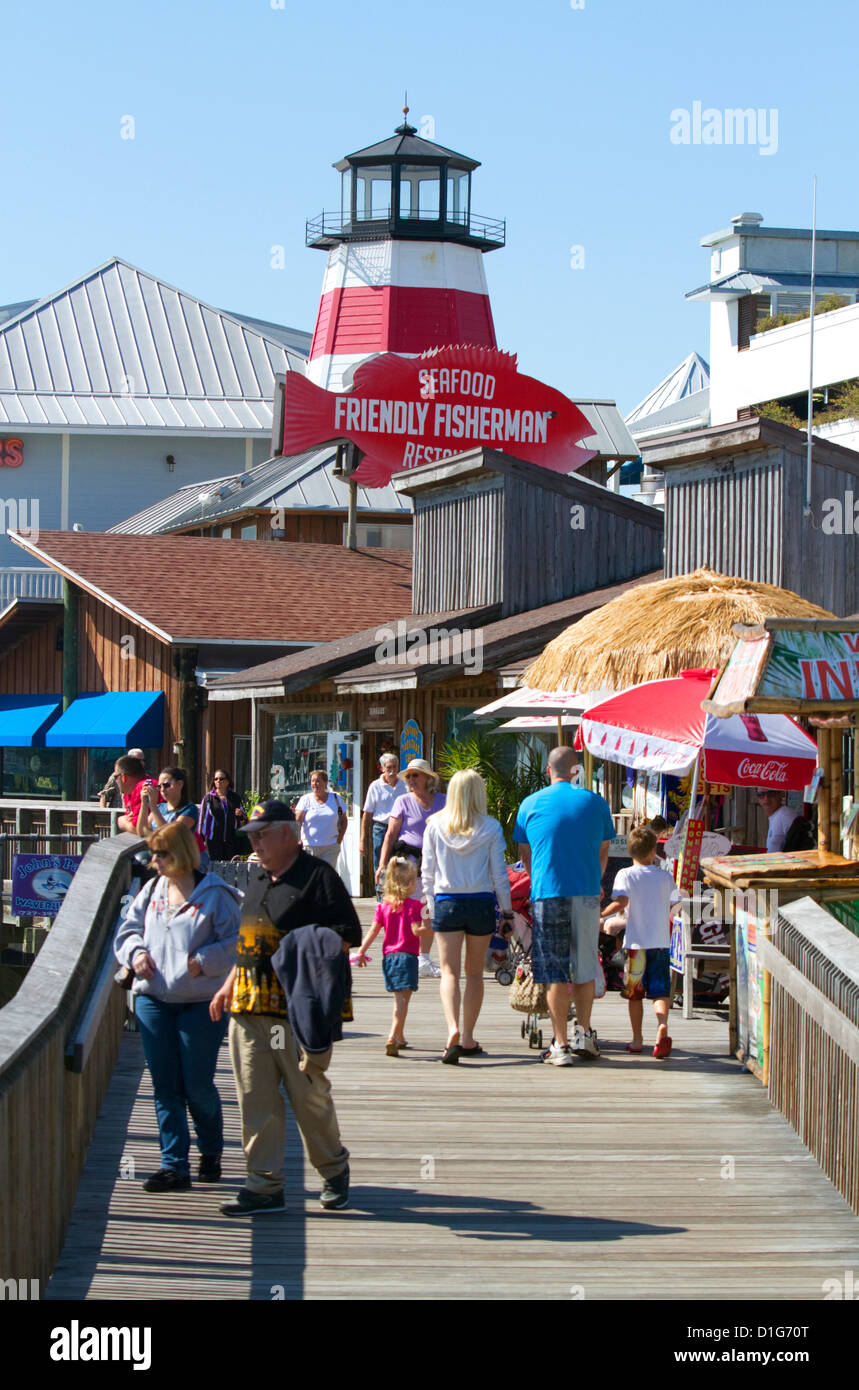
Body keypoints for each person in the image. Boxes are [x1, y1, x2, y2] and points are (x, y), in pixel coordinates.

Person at [209, 799, 361, 1216]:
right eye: (251, 835)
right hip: (247, 1006)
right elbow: (247, 945)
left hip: (295, 1013)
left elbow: (347, 934)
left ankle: (333, 1172)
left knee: (308, 1096)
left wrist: (302, 950)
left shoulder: (318, 878)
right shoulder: (258, 879)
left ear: (288, 834)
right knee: (254, 1100)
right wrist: (226, 986)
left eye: (262, 833)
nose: (255, 842)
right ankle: (264, 1186)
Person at [114, 821, 241, 1191]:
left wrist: (205, 958)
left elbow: (238, 943)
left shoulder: (218, 895)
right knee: (164, 1084)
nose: (154, 861)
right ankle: (174, 1165)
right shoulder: (152, 889)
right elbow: (127, 929)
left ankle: (212, 1150)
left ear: (182, 854)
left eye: (161, 854)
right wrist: (135, 954)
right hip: (153, 997)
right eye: (153, 854)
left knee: (197, 1083)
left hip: (202, 1001)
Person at [513, 746, 614, 1066]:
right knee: (584, 966)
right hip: (585, 894)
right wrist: (593, 879)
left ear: (548, 771)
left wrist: (537, 877)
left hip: (548, 894)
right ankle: (583, 1033)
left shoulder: (529, 804)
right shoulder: (596, 803)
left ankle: (559, 1045)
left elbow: (525, 856)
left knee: (554, 971)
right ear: (577, 771)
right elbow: (603, 850)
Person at [422, 768, 513, 1063]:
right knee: (474, 973)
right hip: (481, 902)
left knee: (449, 971)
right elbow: (499, 875)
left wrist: (430, 905)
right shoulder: (490, 827)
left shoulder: (434, 824)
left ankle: (452, 1029)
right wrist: (508, 911)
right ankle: (469, 1036)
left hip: (446, 901)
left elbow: (428, 872)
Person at [604, 825, 681, 1058]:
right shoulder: (665, 876)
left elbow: (620, 903)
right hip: (660, 943)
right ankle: (661, 1026)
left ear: (630, 852)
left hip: (635, 945)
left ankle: (637, 1040)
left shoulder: (625, 875)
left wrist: (600, 915)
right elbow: (675, 906)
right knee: (660, 992)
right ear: (652, 851)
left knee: (634, 994)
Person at [377, 758, 446, 978]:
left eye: (416, 775)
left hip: (435, 864)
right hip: (408, 864)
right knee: (406, 910)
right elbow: (390, 834)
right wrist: (381, 864)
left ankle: (423, 958)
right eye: (409, 776)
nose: (411, 779)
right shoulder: (403, 801)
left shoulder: (443, 801)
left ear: (428, 778)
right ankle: (405, 954)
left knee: (428, 910)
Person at [353, 857, 422, 1056]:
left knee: (398, 998)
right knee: (402, 1000)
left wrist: (361, 952)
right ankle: (392, 1034)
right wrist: (431, 928)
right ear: (409, 884)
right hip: (407, 957)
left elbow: (373, 931)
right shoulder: (414, 907)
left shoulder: (384, 907)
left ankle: (400, 1036)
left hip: (389, 959)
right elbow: (417, 931)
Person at [360, 753, 406, 898]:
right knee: (380, 864)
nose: (392, 770)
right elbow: (367, 814)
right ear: (382, 769)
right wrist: (362, 840)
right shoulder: (375, 786)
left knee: (400, 863)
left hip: (400, 828)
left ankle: (399, 898)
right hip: (380, 828)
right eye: (389, 767)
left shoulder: (404, 785)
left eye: (395, 767)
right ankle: (382, 900)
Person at [295, 768, 348, 870]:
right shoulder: (306, 799)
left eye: (318, 781)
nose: (315, 784)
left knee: (326, 877)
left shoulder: (336, 798)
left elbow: (344, 820)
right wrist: (298, 839)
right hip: (310, 847)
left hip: (330, 847)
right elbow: (297, 821)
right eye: (312, 781)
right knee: (310, 877)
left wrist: (339, 839)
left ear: (325, 783)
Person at [136, 766, 198, 837]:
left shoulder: (190, 810)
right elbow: (142, 832)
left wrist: (153, 806)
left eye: (166, 785)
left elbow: (171, 836)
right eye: (159, 786)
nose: (162, 790)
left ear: (180, 784)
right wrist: (144, 803)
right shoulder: (160, 807)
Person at [199, 770, 247, 861]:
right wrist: (201, 840)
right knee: (214, 868)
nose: (218, 781)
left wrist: (240, 814)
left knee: (231, 869)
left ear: (227, 781)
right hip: (213, 841)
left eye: (221, 779)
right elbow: (202, 820)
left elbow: (244, 817)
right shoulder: (208, 798)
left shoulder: (235, 798)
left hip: (231, 840)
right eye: (216, 779)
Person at [756, 787, 805, 852]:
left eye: (771, 793)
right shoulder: (776, 816)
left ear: (780, 794)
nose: (766, 799)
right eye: (761, 795)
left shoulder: (785, 814)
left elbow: (800, 844)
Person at [114, 754, 153, 835]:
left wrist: (122, 822)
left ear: (123, 777)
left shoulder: (143, 787)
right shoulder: (129, 792)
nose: (116, 781)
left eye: (115, 777)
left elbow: (139, 829)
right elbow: (131, 820)